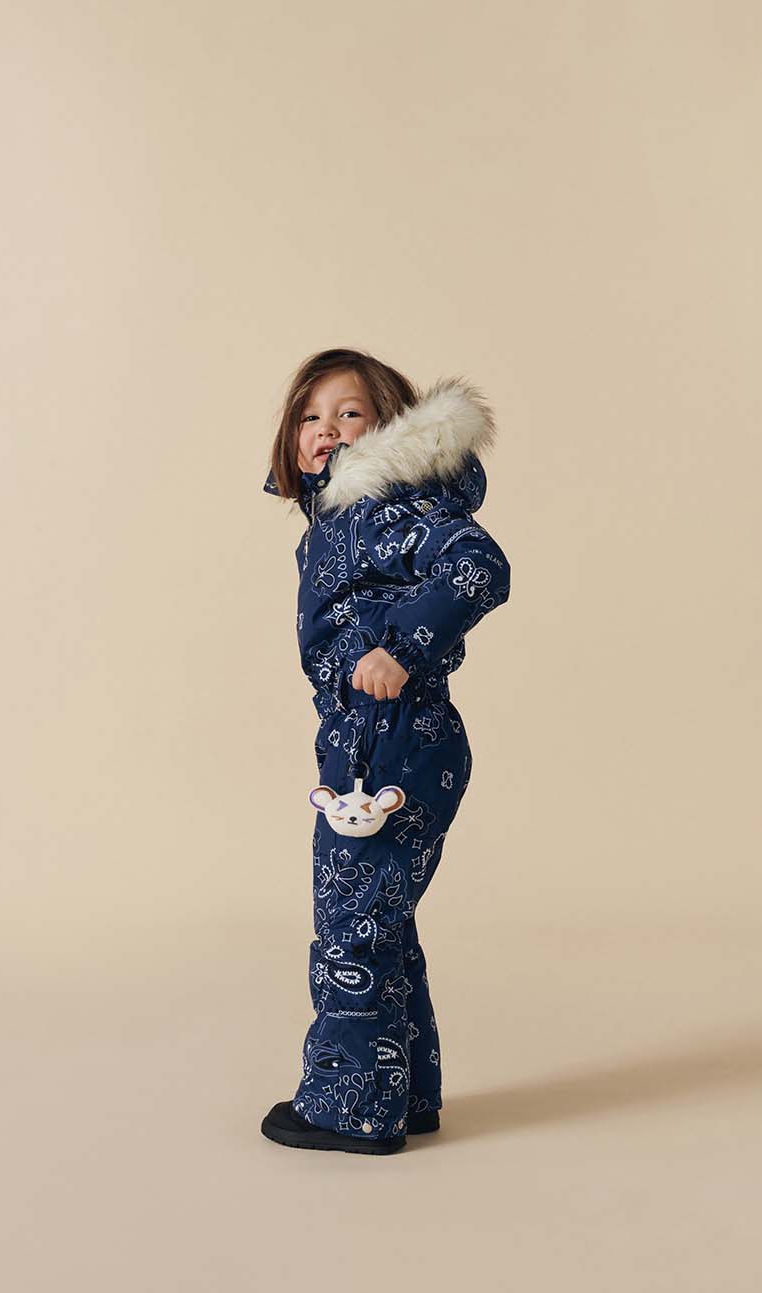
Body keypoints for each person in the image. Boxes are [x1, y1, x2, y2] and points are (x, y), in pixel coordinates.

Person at [259, 348, 511, 1155]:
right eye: (310, 416)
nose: (326, 429)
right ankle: (405, 1095)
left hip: (392, 745)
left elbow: (479, 566)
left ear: (389, 429)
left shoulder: (381, 510)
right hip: (371, 745)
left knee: (353, 929)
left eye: (349, 414)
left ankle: (350, 1107)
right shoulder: (337, 521)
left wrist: (401, 648)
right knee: (381, 922)